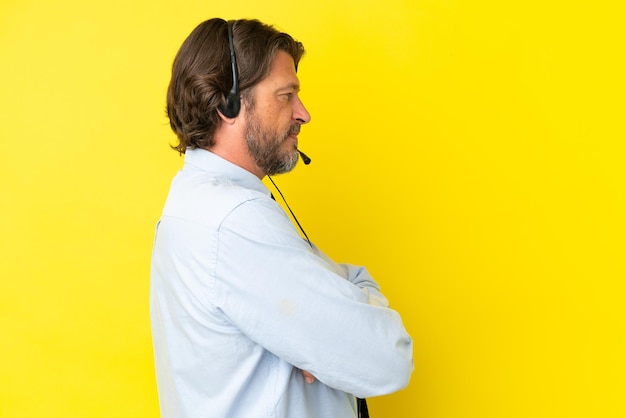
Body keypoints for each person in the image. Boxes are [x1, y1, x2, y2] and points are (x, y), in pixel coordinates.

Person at [150, 18, 413, 418]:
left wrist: (327, 333)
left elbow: (348, 294)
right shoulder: (236, 222)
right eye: (286, 95)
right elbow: (389, 356)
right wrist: (345, 322)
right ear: (229, 104)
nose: (304, 114)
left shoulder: (194, 203)